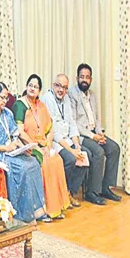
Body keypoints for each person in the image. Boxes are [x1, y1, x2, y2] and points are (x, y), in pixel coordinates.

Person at [0, 82, 46, 223]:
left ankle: (37, 210)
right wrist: (6, 148)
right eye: (2, 97)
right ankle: (22, 213)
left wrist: (24, 147)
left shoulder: (8, 113)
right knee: (22, 168)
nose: (5, 101)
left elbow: (15, 136)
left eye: (7, 98)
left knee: (34, 163)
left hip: (12, 150)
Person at [13, 74, 71, 220]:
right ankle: (46, 209)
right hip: (28, 147)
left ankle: (57, 208)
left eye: (36, 87)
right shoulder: (20, 105)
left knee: (56, 159)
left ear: (39, 91)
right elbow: (19, 132)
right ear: (26, 87)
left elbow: (50, 130)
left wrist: (47, 145)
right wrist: (36, 147)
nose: (32, 89)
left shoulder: (41, 106)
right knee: (45, 163)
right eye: (30, 85)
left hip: (42, 144)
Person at [68, 63, 121, 204]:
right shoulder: (71, 95)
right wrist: (93, 137)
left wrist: (100, 133)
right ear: (77, 78)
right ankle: (92, 192)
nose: (84, 80)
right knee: (98, 152)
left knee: (114, 148)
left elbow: (96, 118)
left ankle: (105, 187)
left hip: (94, 133)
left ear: (91, 79)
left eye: (87, 77)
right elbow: (74, 123)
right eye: (82, 77)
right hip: (81, 135)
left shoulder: (92, 95)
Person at [40, 74, 90, 207]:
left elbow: (72, 123)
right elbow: (53, 131)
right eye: (59, 86)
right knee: (71, 159)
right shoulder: (46, 99)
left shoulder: (66, 99)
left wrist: (77, 145)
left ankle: (71, 192)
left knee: (86, 156)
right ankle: (63, 193)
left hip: (68, 139)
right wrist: (71, 151)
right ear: (53, 85)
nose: (61, 90)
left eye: (65, 87)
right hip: (55, 142)